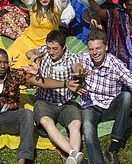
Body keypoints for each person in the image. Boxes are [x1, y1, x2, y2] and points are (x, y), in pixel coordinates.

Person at [74, 31, 132, 164]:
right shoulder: (84, 58)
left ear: (106, 47)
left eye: (98, 48)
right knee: (88, 128)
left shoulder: (115, 64)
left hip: (111, 105)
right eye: (91, 49)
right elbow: (71, 60)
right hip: (91, 105)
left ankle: (113, 146)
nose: (94, 52)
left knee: (126, 96)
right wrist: (77, 68)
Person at [24, 30, 85, 164]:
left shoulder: (72, 58)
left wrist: (80, 72)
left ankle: (72, 159)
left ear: (63, 47)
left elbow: (77, 67)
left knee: (76, 124)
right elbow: (29, 52)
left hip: (65, 101)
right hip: (45, 101)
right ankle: (73, 153)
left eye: (55, 49)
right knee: (46, 121)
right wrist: (33, 55)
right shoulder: (44, 52)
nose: (51, 52)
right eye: (49, 48)